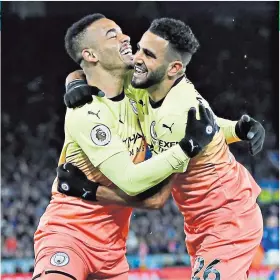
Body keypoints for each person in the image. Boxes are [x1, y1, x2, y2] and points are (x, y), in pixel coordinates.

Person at [59, 17, 265, 280]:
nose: (136, 58)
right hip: (201, 222)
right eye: (140, 48)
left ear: (174, 67)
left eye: (148, 54)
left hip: (228, 219)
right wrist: (74, 82)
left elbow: (154, 197)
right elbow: (88, 66)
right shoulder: (146, 85)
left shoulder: (176, 115)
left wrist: (88, 191)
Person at [33, 14, 218, 280]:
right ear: (91, 54)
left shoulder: (140, 92)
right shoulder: (87, 112)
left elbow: (155, 200)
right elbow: (134, 184)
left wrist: (237, 130)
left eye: (122, 32)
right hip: (68, 235)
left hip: (112, 251)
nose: (126, 37)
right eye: (112, 34)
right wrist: (187, 148)